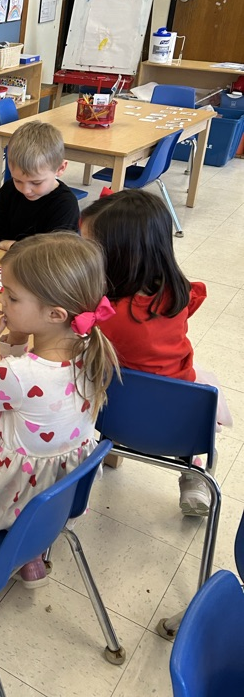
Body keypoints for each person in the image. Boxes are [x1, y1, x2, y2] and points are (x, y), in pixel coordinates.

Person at [0, 232, 119, 585]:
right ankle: (33, 548)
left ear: (55, 314)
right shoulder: (92, 347)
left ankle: (8, 541)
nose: (0, 300)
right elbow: (31, 396)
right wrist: (15, 346)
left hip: (10, 496)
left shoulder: (16, 373)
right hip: (60, 495)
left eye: (11, 297)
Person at [80, 190, 232, 515]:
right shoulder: (176, 291)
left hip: (120, 415)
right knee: (188, 382)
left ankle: (86, 463)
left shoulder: (112, 314)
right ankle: (194, 474)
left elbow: (78, 335)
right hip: (184, 416)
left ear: (121, 255)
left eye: (91, 248)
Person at [0, 122, 79, 265]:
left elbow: (51, 255)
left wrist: (8, 244)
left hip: (42, 274)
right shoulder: (9, 190)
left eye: (36, 183)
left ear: (60, 168)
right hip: (8, 264)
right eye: (17, 180)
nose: (26, 190)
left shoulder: (66, 204)